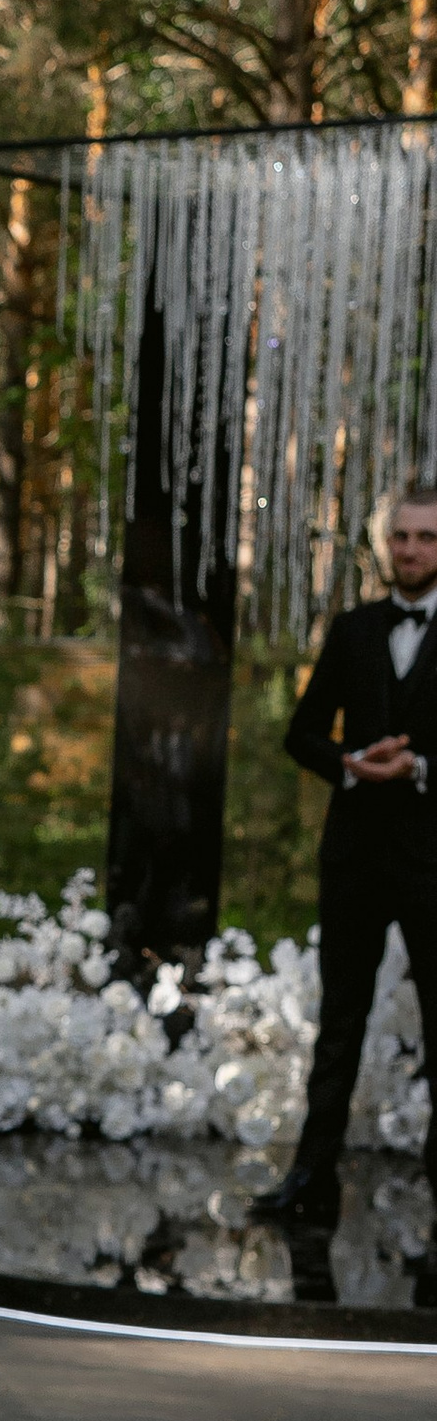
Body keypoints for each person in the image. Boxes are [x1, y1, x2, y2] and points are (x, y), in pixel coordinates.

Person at [258, 473, 437, 1230]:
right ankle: (310, 1176)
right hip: (355, 856)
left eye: (426, 537)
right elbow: (301, 733)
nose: (410, 549)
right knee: (339, 1025)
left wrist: (420, 766)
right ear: (383, 543)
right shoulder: (354, 629)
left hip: (431, 862)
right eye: (400, 536)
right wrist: (351, 765)